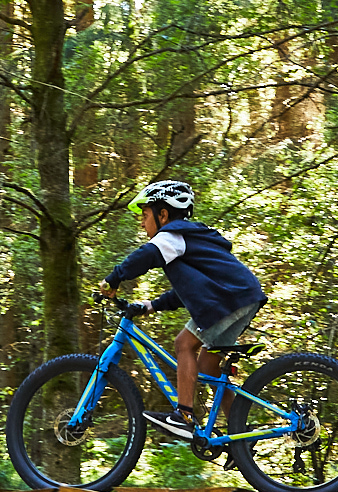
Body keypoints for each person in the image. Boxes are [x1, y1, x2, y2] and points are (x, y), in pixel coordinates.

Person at [100, 178, 267, 437]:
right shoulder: (190, 241)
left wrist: (115, 277)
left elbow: (146, 256)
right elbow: (190, 290)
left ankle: (184, 416)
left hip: (228, 298)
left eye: (145, 216)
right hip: (239, 297)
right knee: (209, 367)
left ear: (163, 214)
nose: (142, 224)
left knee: (183, 344)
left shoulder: (173, 235)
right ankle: (239, 436)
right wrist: (151, 305)